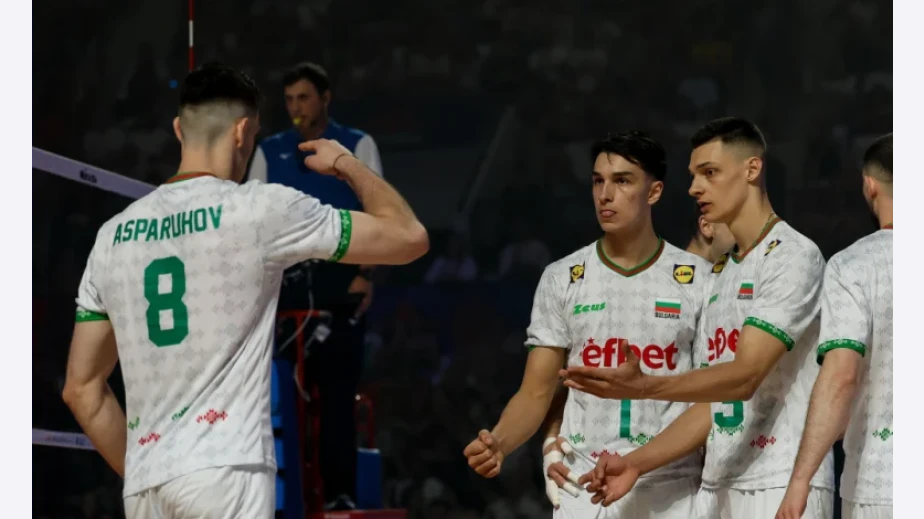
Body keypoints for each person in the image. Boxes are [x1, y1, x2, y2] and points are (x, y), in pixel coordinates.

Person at [61, 63, 428, 519]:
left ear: (178, 129)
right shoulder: (259, 209)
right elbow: (409, 237)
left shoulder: (111, 237)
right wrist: (345, 163)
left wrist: (142, 468)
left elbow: (81, 390)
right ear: (241, 133)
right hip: (226, 473)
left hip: (147, 487)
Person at [562, 117, 835, 519]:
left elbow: (745, 377)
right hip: (716, 486)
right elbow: (714, 402)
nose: (694, 187)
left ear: (752, 169)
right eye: (693, 175)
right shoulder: (718, 275)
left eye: (709, 173)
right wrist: (637, 462)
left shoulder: (792, 255)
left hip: (779, 482)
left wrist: (646, 386)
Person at [463, 131, 712, 518]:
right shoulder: (561, 277)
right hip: (582, 488)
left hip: (673, 492)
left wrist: (640, 463)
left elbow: (714, 396)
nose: (605, 195)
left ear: (654, 192)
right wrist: (500, 441)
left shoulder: (700, 280)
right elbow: (535, 392)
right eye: (598, 181)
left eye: (622, 181)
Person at [247, 61, 384, 511]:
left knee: (338, 397)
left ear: (325, 99)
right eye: (289, 100)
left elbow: (377, 210)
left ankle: (339, 495)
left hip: (341, 280)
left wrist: (365, 274)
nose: (296, 107)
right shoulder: (270, 151)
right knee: (277, 396)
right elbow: (252, 223)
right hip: (285, 287)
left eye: (303, 98)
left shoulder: (357, 145)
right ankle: (279, 498)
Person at [776, 133, 894, 519]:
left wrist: (800, 480)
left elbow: (842, 376)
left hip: (884, 483)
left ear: (869, 185)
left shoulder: (854, 266)